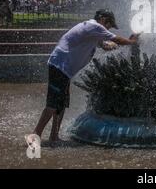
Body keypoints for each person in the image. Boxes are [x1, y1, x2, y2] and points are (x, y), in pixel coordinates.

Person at [32, 9, 140, 143]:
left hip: (65, 70)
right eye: (108, 25)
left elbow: (107, 46)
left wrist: (127, 42)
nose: (107, 28)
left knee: (62, 103)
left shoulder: (94, 32)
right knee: (53, 104)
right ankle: (35, 136)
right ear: (103, 19)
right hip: (60, 66)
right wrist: (131, 42)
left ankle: (54, 136)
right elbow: (116, 39)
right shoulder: (94, 26)